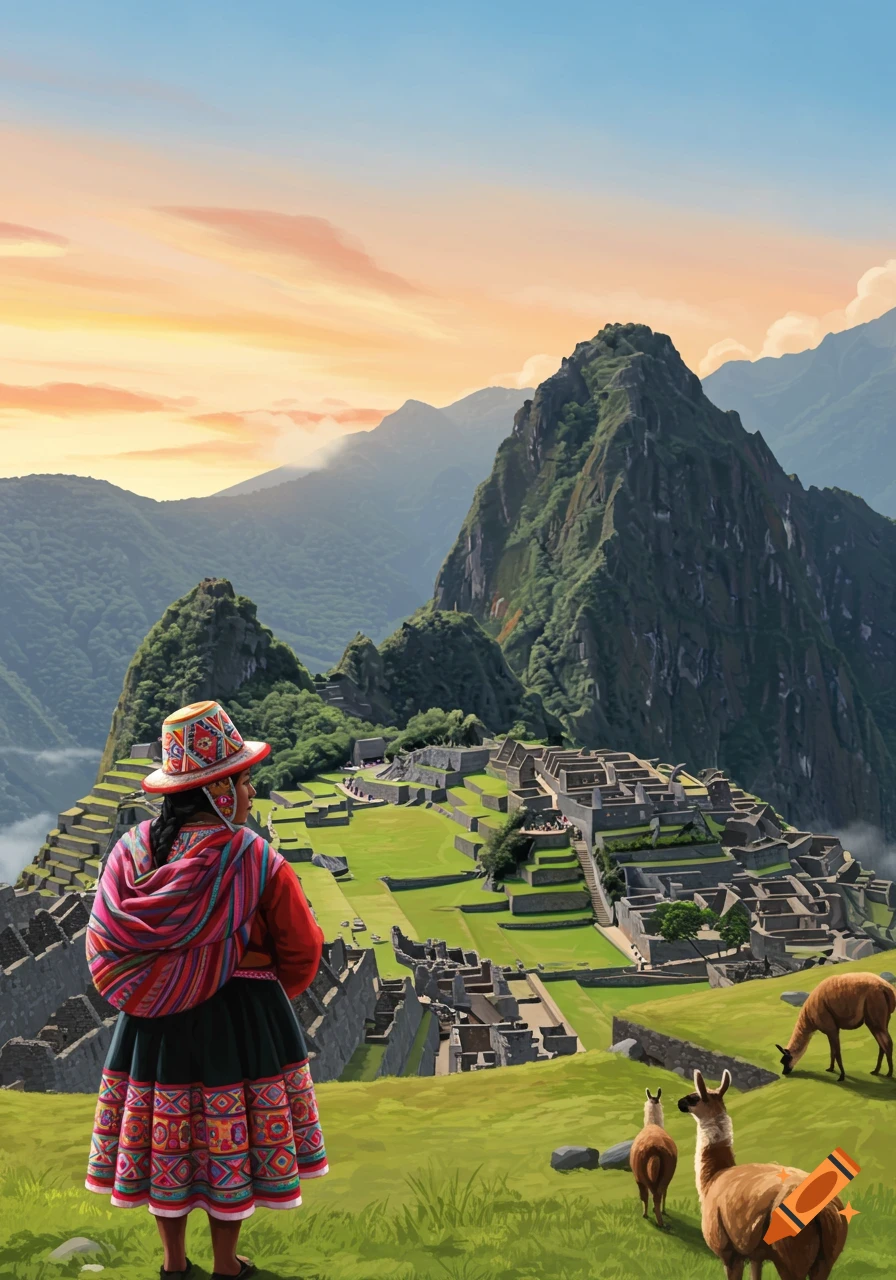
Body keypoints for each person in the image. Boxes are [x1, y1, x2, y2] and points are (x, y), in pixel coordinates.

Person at [85, 701, 327, 1280]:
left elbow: (105, 941)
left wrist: (162, 985)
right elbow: (302, 948)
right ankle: (226, 1265)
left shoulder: (132, 853)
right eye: (244, 783)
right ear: (219, 792)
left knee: (167, 1142)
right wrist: (264, 998)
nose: (250, 795)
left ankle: (173, 1263)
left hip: (152, 1023)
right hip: (237, 1017)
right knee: (227, 1146)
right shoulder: (251, 858)